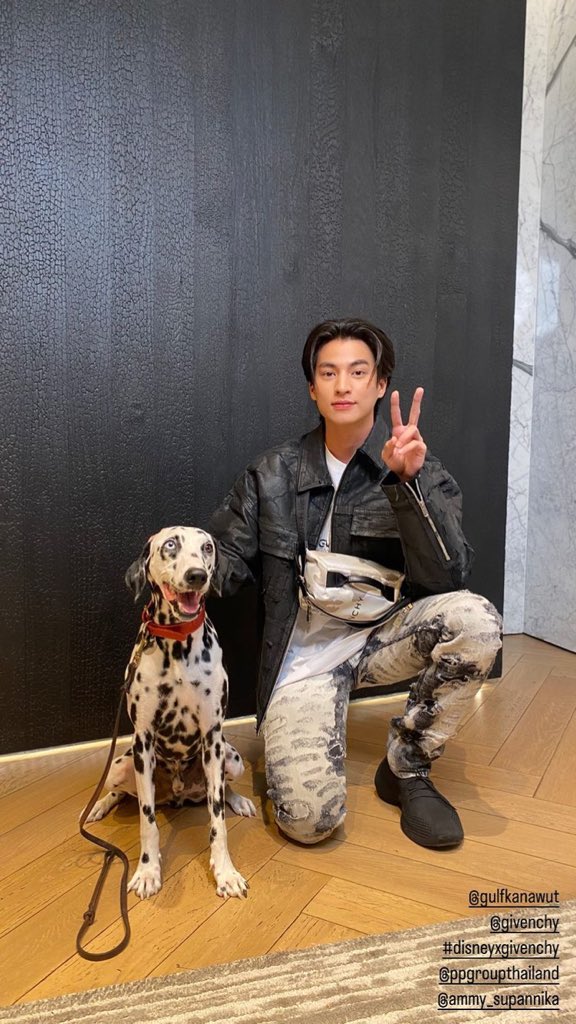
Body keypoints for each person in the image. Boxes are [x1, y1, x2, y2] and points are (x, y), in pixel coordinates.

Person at [208, 318, 502, 849]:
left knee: (476, 622)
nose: (343, 385)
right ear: (312, 387)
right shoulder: (271, 472)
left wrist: (408, 486)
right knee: (309, 822)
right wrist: (182, 570)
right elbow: (227, 558)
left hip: (379, 641)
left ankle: (407, 766)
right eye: (328, 373)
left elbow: (448, 577)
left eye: (358, 371)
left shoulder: (411, 464)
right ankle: (307, 734)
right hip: (301, 659)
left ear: (380, 383)